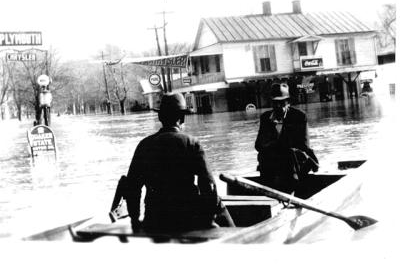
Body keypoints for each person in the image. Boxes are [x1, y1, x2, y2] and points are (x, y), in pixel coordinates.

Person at [124, 92, 234, 232]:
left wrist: (135, 220)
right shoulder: (192, 144)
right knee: (218, 205)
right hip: (188, 218)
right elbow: (209, 187)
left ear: (160, 117)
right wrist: (209, 220)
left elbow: (132, 187)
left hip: (154, 218)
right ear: (182, 118)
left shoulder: (144, 145)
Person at [255, 83, 319, 194]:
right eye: (275, 103)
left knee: (289, 154)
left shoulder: (299, 116)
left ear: (288, 102)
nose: (278, 106)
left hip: (296, 162)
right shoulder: (266, 118)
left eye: (281, 103)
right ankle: (270, 193)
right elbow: (258, 145)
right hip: (275, 162)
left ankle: (292, 190)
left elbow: (303, 145)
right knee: (263, 156)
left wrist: (275, 144)